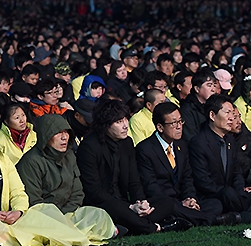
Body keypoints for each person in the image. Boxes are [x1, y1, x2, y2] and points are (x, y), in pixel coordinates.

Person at [0, 111, 103, 246]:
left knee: (54, 217)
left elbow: (19, 192)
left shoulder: (2, 159)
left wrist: (18, 211)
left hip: (5, 220)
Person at [76, 99, 188, 234]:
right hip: (102, 203)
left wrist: (141, 203)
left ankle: (129, 226)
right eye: (118, 122)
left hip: (125, 202)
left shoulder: (127, 142)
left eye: (125, 120)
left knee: (165, 202)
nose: (125, 125)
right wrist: (129, 206)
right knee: (116, 208)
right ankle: (157, 227)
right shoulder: (89, 146)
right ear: (105, 126)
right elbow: (94, 191)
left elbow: (134, 181)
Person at [16, 114, 116, 241]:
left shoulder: (69, 156)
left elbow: (77, 193)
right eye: (58, 133)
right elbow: (34, 202)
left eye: (66, 132)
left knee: (98, 213)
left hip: (69, 214)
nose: (64, 137)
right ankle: (76, 232)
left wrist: (65, 216)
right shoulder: (31, 162)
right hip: (44, 217)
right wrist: (58, 218)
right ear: (46, 135)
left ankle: (73, 231)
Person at [188, 95, 251, 222]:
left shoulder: (230, 139)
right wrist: (231, 193)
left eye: (233, 113)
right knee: (225, 196)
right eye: (227, 113)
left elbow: (237, 172)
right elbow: (203, 181)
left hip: (234, 195)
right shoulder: (199, 142)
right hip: (214, 195)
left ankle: (245, 215)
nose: (232, 118)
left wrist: (240, 191)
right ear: (212, 116)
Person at [136, 102, 223, 226]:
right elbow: (151, 187)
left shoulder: (181, 145)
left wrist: (190, 199)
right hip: (163, 202)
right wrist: (180, 204)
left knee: (215, 204)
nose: (179, 127)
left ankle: (188, 218)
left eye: (180, 121)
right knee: (170, 207)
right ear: (160, 127)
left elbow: (187, 178)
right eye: (173, 123)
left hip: (181, 201)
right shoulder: (145, 149)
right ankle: (208, 220)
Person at [180, 68, 218, 142]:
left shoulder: (215, 105)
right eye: (209, 85)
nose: (213, 89)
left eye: (214, 85)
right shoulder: (187, 109)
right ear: (197, 89)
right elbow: (190, 138)